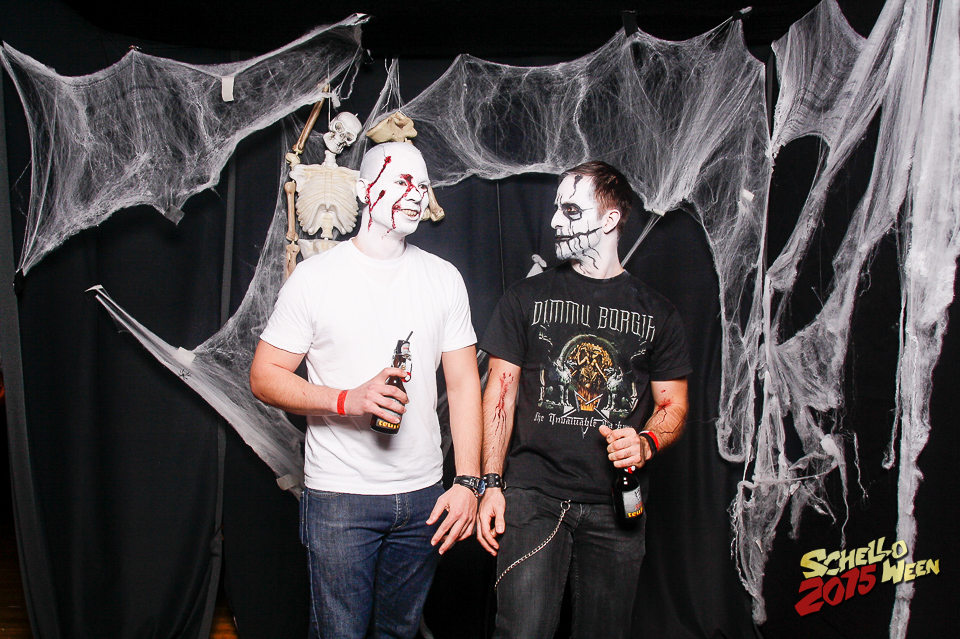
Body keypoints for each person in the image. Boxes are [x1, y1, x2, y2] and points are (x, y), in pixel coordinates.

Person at [250, 141, 483, 639]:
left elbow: (464, 383)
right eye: (402, 181)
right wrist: (346, 400)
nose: (416, 195)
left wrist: (467, 481)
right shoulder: (315, 278)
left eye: (422, 186)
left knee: (399, 632)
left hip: (423, 496)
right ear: (362, 190)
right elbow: (264, 376)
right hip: (340, 497)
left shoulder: (444, 279)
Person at [476, 161, 692, 638]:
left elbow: (673, 405)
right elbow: (499, 394)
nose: (555, 221)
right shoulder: (526, 297)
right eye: (557, 208)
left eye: (571, 210)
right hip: (533, 497)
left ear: (611, 219)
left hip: (616, 504)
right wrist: (490, 484)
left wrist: (647, 443)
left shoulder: (657, 313)